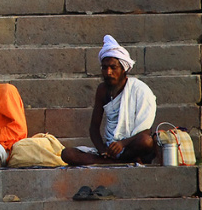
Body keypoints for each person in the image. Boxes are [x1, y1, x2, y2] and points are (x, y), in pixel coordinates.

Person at [61, 35, 158, 166]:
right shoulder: (102, 90)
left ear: (124, 69)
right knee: (67, 154)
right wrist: (102, 151)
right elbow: (94, 128)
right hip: (110, 149)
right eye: (104, 67)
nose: (108, 72)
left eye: (113, 67)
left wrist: (122, 143)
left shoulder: (140, 89)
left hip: (131, 146)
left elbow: (146, 130)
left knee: (146, 141)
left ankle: (115, 161)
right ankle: (112, 161)